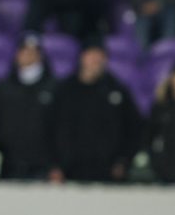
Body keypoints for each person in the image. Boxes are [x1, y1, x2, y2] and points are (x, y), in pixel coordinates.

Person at [48, 45, 142, 183]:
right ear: (82, 57)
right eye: (92, 55)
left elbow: (134, 129)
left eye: (100, 56)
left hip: (108, 173)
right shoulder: (64, 90)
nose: (96, 60)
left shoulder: (117, 91)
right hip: (68, 172)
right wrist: (53, 165)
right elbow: (48, 129)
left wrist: (123, 161)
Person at [0, 34, 57, 180]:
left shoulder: (54, 88)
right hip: (8, 165)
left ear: (41, 56)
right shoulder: (3, 88)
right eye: (24, 50)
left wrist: (57, 165)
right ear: (17, 54)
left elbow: (62, 128)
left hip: (43, 167)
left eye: (33, 51)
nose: (28, 55)